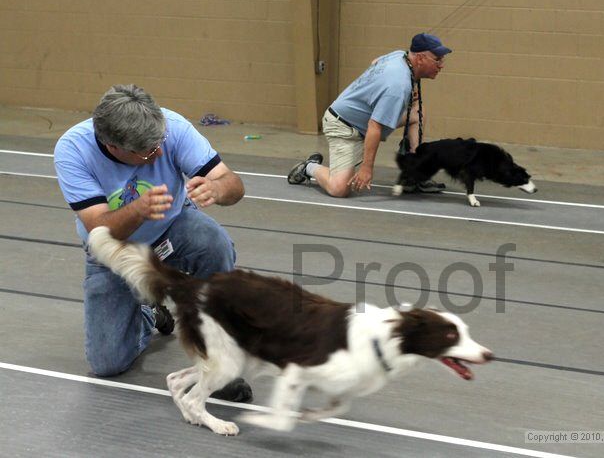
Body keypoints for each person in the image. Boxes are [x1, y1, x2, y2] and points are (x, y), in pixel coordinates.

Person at [54, 84, 252, 401]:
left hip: (173, 228)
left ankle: (218, 351)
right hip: (113, 252)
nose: (158, 154)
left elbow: (233, 183)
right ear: (112, 146)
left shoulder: (173, 127)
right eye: (147, 152)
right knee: (107, 364)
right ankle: (149, 313)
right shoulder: (73, 151)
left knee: (214, 243)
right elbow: (99, 230)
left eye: (159, 143)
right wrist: (138, 210)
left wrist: (219, 189)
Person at [288, 33, 451, 197]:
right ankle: (309, 167)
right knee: (339, 189)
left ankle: (416, 174)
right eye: (437, 59)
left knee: (417, 113)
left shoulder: (401, 56)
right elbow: (375, 127)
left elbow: (375, 61)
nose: (441, 65)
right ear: (420, 58)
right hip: (343, 126)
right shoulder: (397, 87)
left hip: (363, 122)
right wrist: (366, 169)